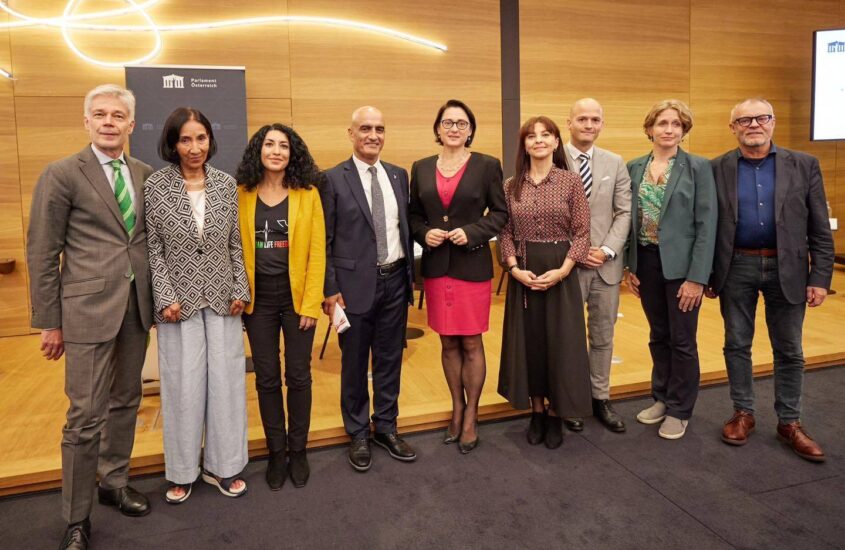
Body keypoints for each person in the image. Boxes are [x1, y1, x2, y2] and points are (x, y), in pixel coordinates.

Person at [27, 84, 153, 550]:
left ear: (130, 124)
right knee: (84, 416)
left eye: (117, 115)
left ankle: (113, 481)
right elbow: (42, 251)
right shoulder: (61, 173)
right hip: (84, 314)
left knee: (125, 403)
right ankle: (76, 518)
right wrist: (49, 322)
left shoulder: (143, 174)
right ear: (86, 121)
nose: (108, 121)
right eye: (99, 114)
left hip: (136, 310)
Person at [707, 98, 834, 462]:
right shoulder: (716, 168)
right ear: (733, 128)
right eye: (744, 120)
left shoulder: (804, 165)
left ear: (773, 122)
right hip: (737, 267)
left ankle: (789, 422)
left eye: (761, 118)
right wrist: (709, 274)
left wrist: (821, 276)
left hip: (789, 269)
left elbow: (818, 228)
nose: (753, 125)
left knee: (789, 350)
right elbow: (709, 226)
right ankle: (743, 412)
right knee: (736, 343)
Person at [145, 107, 251, 503]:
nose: (194, 147)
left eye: (201, 138)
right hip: (179, 305)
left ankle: (224, 467)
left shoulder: (226, 184)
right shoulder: (156, 186)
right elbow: (152, 247)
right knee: (183, 388)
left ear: (210, 140)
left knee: (226, 386)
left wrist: (241, 286)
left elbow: (234, 243)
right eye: (185, 139)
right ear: (173, 143)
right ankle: (182, 471)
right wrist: (165, 295)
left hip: (225, 300)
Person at [409, 99, 507, 453]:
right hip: (436, 268)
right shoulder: (419, 168)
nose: (454, 128)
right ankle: (457, 408)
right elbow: (413, 216)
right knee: (447, 341)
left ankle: (472, 416)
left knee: (470, 342)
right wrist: (424, 234)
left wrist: (475, 232)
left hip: (471, 265)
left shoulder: (486, 165)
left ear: (470, 130)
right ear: (437, 128)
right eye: (447, 122)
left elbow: (500, 213)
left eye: (461, 123)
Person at [321, 106, 416, 472]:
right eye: (365, 128)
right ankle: (358, 431)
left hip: (394, 280)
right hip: (351, 287)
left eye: (379, 128)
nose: (373, 135)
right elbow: (325, 240)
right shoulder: (331, 179)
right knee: (355, 362)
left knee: (390, 358)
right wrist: (330, 290)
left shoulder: (398, 175)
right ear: (351, 133)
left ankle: (386, 427)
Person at [235, 123, 326, 488]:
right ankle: (276, 452)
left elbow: (318, 252)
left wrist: (310, 305)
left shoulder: (308, 194)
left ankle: (298, 450)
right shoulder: (241, 194)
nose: (276, 151)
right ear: (258, 150)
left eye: (283, 146)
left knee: (299, 375)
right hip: (258, 300)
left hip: (297, 297)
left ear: (293, 153)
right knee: (268, 377)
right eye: (269, 144)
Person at [498, 116, 592, 449]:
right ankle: (536, 411)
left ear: (556, 142)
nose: (539, 140)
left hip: (560, 270)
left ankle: (556, 414)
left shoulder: (570, 181)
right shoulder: (511, 186)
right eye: (531, 136)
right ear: (524, 144)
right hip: (524, 271)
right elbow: (505, 232)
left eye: (546, 135)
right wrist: (513, 269)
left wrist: (565, 269)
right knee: (532, 344)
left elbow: (581, 232)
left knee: (561, 343)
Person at [625, 99, 717, 440]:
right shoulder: (634, 167)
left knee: (682, 340)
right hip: (646, 262)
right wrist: (629, 265)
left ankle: (680, 409)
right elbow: (627, 220)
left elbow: (707, 225)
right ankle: (661, 397)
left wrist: (697, 278)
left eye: (676, 124)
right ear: (650, 128)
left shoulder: (698, 167)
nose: (669, 129)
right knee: (657, 335)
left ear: (684, 130)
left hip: (682, 268)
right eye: (662, 123)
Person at [562, 98, 632, 433]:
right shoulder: (552, 158)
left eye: (595, 119)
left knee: (603, 336)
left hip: (606, 266)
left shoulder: (615, 162)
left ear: (602, 124)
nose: (589, 125)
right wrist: (576, 251)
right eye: (582, 119)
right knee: (569, 337)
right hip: (566, 267)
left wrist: (605, 249)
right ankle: (571, 399)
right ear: (569, 122)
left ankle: (600, 397)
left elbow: (624, 211)